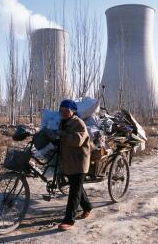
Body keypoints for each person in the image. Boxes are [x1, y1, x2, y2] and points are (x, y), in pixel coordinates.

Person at [57, 99, 93, 231]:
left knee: (74, 192)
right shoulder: (63, 122)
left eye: (66, 111)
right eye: (61, 111)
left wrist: (63, 135)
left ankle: (69, 220)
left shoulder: (79, 123)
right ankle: (88, 207)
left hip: (79, 162)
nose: (64, 113)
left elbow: (77, 140)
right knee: (77, 187)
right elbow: (62, 139)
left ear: (73, 111)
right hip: (69, 162)